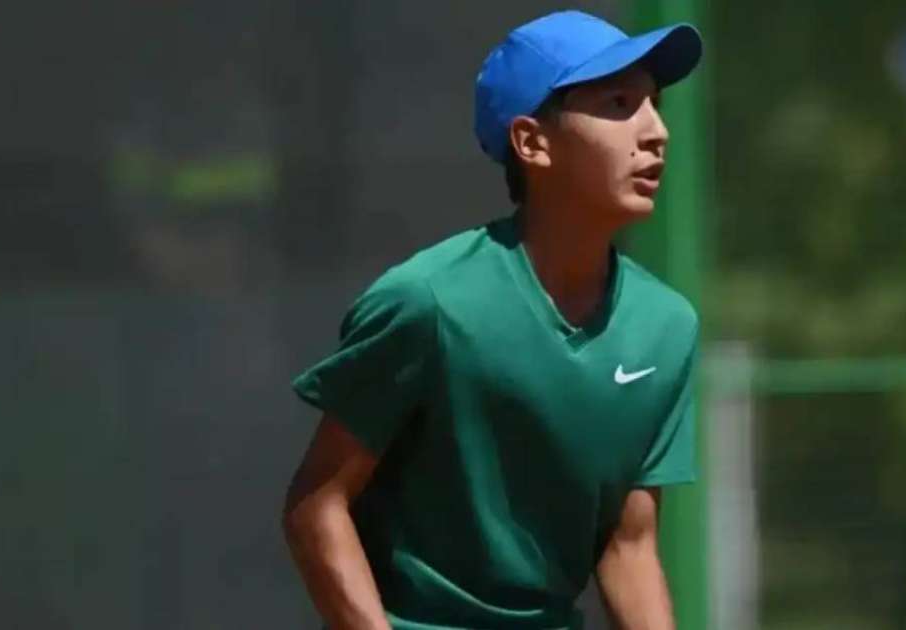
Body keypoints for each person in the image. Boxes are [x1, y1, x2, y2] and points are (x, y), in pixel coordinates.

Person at [281, 10, 704, 630]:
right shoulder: (427, 302)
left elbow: (629, 544)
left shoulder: (665, 327)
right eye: (618, 103)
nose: (656, 131)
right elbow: (317, 505)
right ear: (532, 143)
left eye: (654, 103)